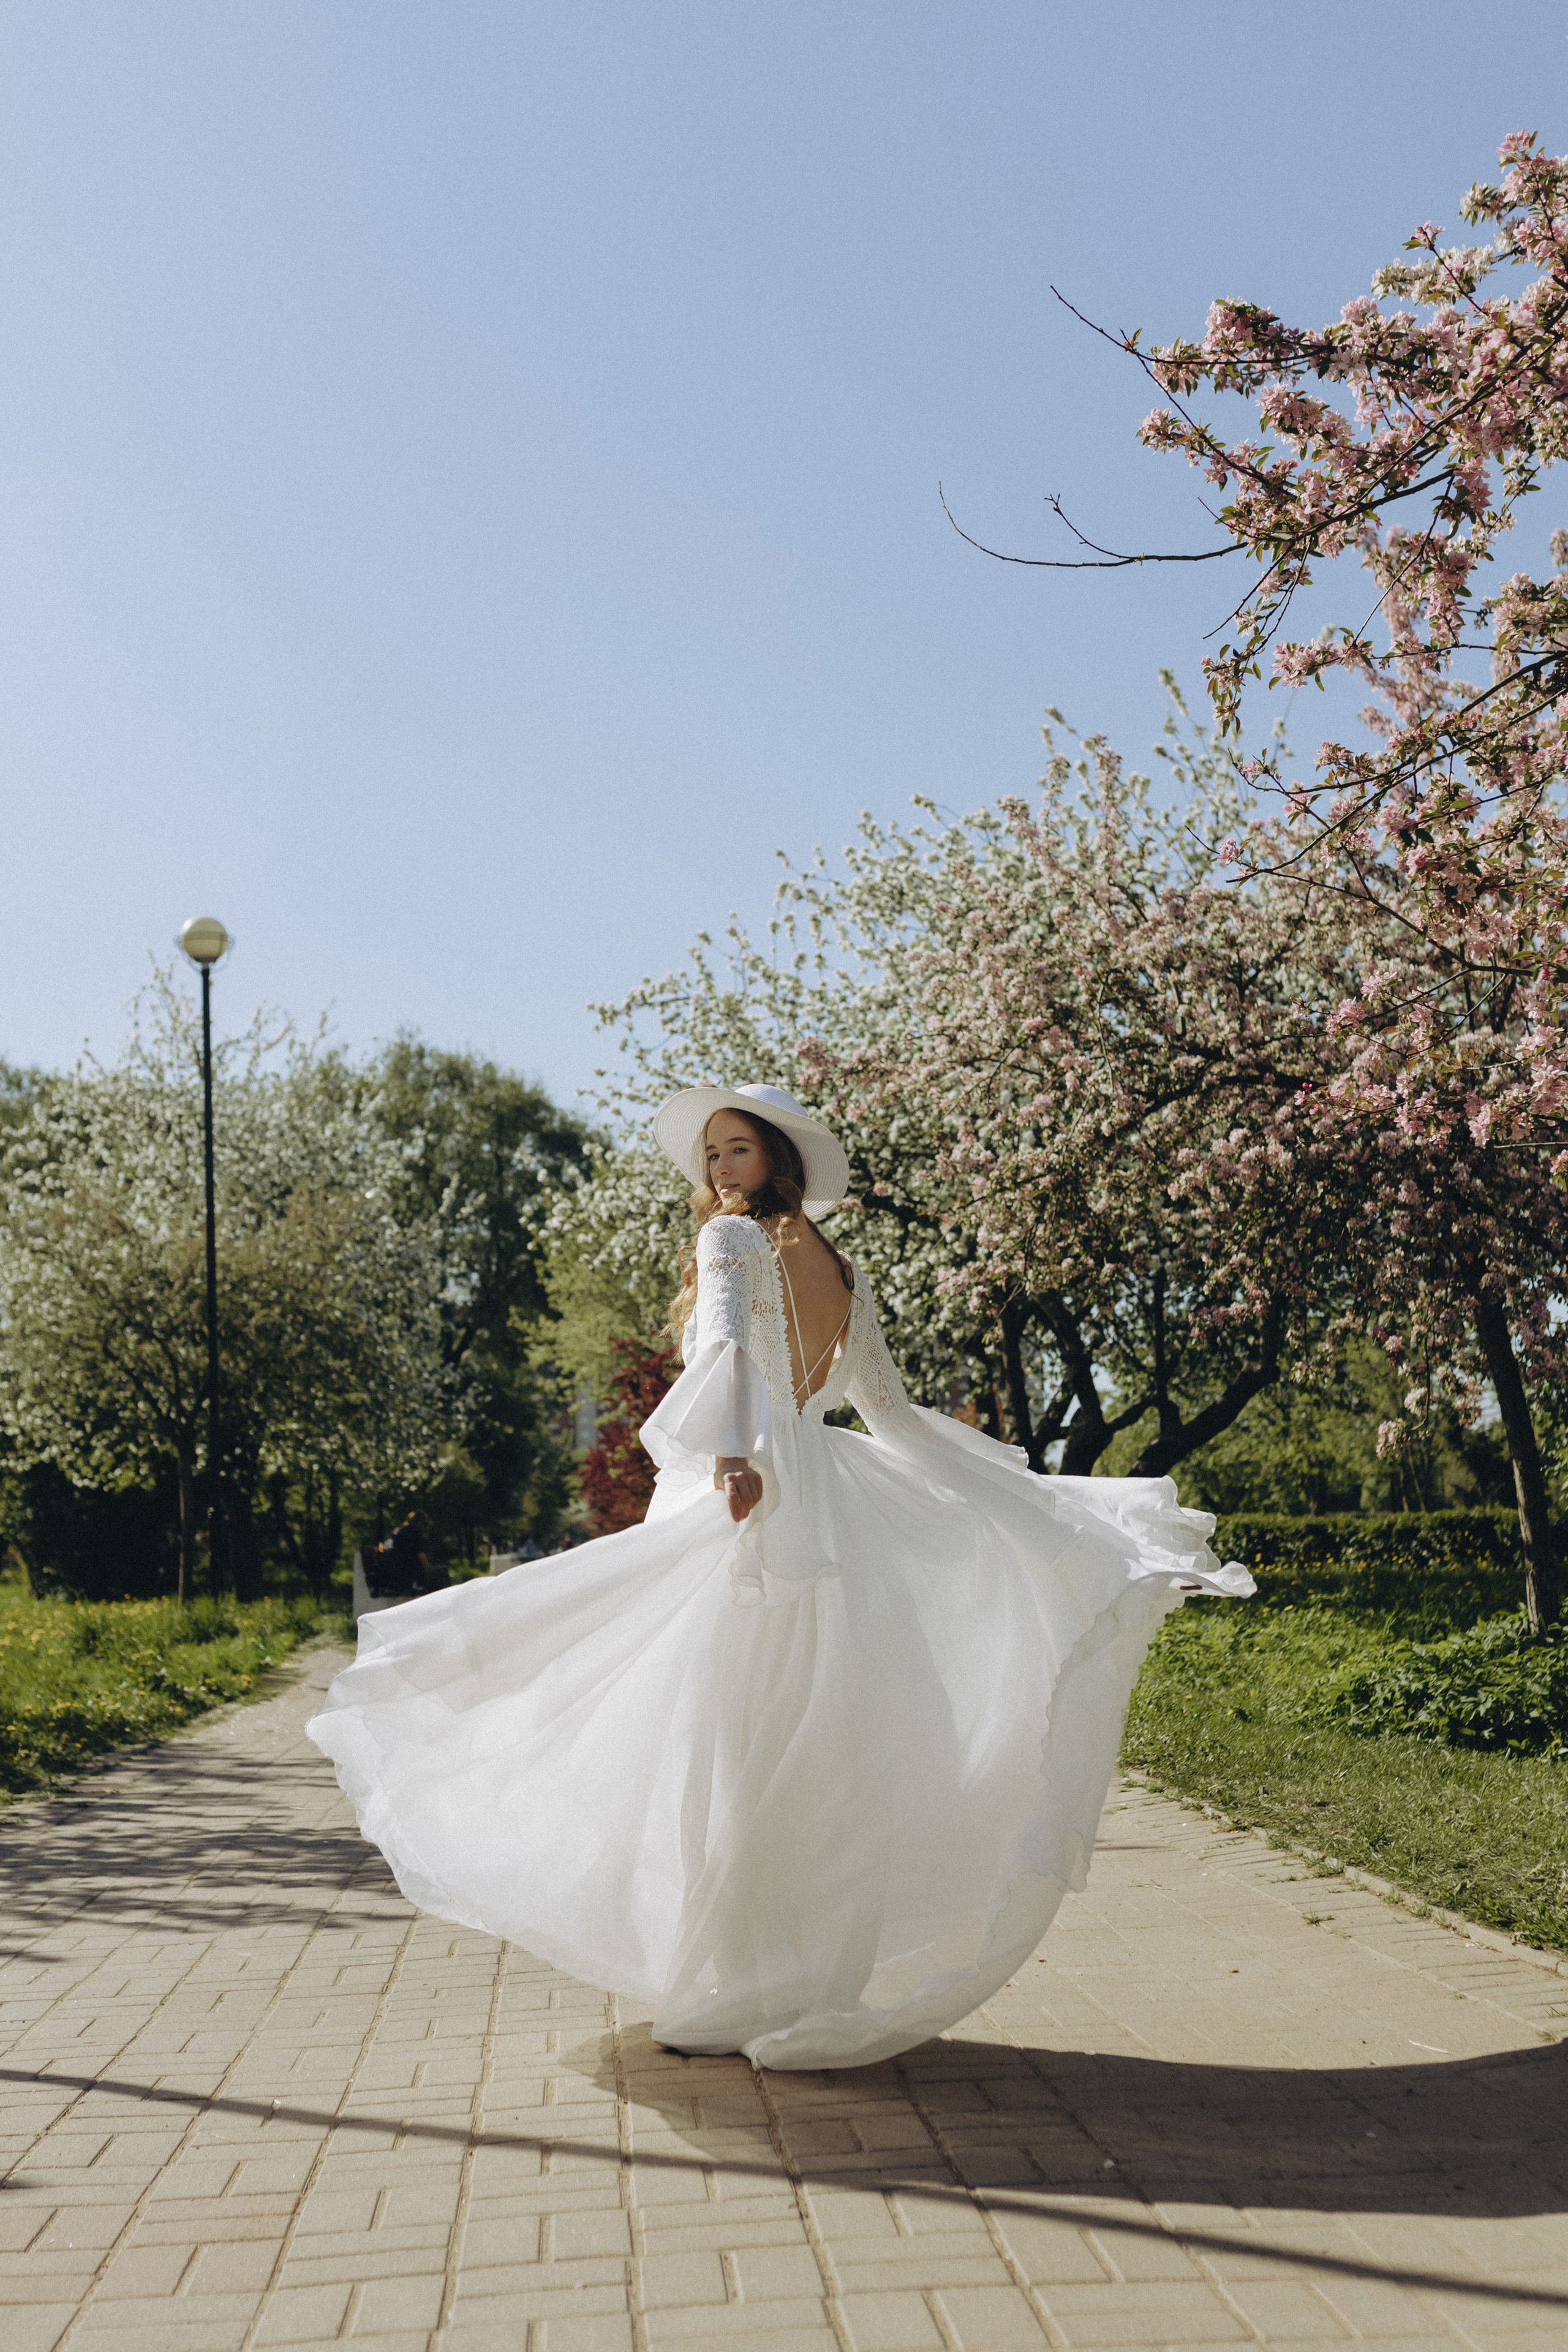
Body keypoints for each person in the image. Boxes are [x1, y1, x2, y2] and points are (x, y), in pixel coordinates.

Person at [308, 1082, 1251, 2070]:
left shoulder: (732, 1244)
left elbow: (727, 1348)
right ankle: (787, 1976)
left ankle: (732, 1980)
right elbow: (885, 1414)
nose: (718, 1172)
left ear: (777, 1160)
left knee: (723, 1738)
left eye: (736, 1152)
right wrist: (1037, 1510)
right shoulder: (841, 1266)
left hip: (749, 1498)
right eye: (711, 1155)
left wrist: (732, 1457)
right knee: (807, 1743)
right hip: (825, 1503)